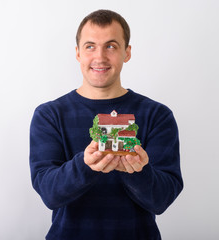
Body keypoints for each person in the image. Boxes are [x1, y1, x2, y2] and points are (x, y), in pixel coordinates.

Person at [29, 9, 183, 240]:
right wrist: (85, 165)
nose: (99, 57)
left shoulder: (157, 115)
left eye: (111, 46)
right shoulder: (50, 115)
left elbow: (161, 200)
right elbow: (49, 194)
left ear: (126, 52)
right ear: (78, 53)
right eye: (90, 46)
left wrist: (138, 171)